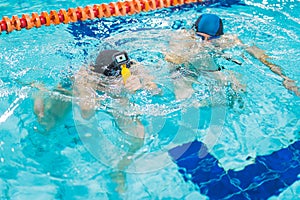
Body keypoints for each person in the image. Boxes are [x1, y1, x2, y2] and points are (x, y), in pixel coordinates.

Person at [33, 49, 158, 194]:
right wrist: (89, 90)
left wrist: (141, 84)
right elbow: (87, 113)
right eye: (114, 82)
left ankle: (119, 169)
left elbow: (157, 92)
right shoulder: (86, 77)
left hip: (109, 94)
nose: (119, 84)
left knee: (137, 136)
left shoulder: (133, 68)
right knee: (47, 119)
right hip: (73, 88)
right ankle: (38, 91)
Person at [165, 13, 300, 97]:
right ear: (193, 32)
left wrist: (284, 77)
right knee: (182, 90)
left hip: (211, 64)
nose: (205, 43)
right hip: (188, 66)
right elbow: (171, 60)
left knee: (238, 88)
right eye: (200, 37)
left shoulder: (229, 40)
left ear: (219, 37)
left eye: (210, 39)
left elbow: (260, 56)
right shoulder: (181, 37)